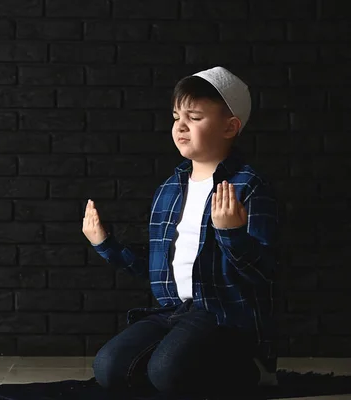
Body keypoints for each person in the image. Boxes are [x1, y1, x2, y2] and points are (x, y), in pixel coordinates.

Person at [82, 66, 279, 396]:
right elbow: (155, 266)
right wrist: (105, 244)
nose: (181, 126)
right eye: (176, 116)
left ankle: (252, 367)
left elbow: (265, 271)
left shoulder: (249, 187)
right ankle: (184, 364)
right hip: (173, 310)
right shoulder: (169, 189)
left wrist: (232, 233)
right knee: (109, 367)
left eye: (195, 117)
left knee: (166, 371)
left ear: (230, 127)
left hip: (220, 314)